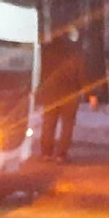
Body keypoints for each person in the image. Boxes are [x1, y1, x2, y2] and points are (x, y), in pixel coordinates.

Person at [35, 26, 88, 162]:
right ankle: (61, 154)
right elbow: (81, 73)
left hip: (50, 94)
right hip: (69, 94)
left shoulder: (46, 52)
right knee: (67, 125)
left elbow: (40, 72)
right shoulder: (75, 52)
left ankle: (46, 153)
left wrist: (37, 91)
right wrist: (90, 93)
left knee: (48, 124)